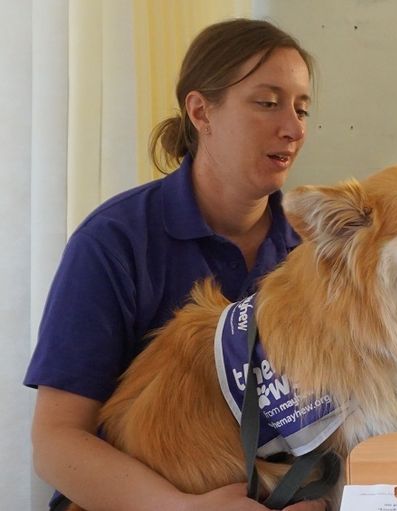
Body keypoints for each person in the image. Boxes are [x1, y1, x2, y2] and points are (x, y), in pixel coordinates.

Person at [24, 19, 326, 511]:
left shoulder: (311, 252)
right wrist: (179, 507)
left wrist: (315, 494)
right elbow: (56, 442)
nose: (293, 128)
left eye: (302, 108)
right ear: (201, 111)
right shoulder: (115, 241)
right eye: (267, 103)